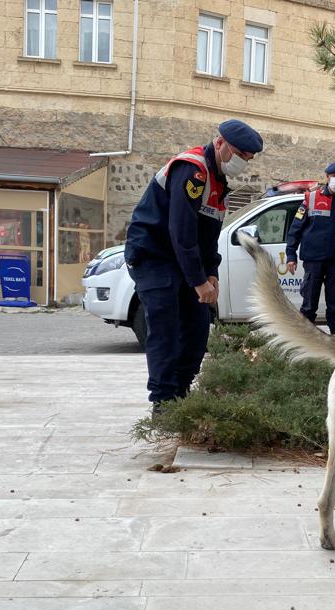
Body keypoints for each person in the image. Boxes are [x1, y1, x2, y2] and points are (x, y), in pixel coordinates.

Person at [124, 119, 263, 412]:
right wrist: (198, 281)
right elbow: (182, 230)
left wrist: (211, 273)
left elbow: (208, 235)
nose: (242, 163)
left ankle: (182, 394)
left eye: (247, 160)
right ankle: (163, 403)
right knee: (166, 327)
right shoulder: (192, 170)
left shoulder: (219, 183)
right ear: (220, 143)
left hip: (183, 258)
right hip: (154, 255)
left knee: (198, 328)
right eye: (239, 155)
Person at [284, 161, 335, 335]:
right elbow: (295, 229)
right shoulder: (311, 198)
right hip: (313, 260)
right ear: (327, 177)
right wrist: (291, 255)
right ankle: (305, 339)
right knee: (308, 304)